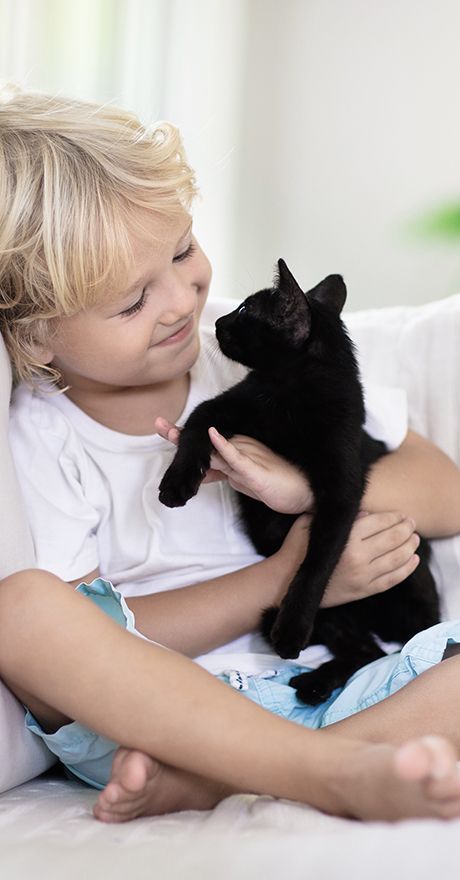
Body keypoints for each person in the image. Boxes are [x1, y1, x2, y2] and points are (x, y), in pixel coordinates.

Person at [2, 83, 460, 825]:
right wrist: (282, 579)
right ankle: (329, 769)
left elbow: (445, 487)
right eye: (130, 302)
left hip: (333, 679)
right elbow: (98, 635)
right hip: (158, 718)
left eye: (182, 250)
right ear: (30, 336)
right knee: (20, 612)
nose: (181, 300)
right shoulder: (39, 430)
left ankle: (232, 778)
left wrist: (312, 495)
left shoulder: (254, 344)